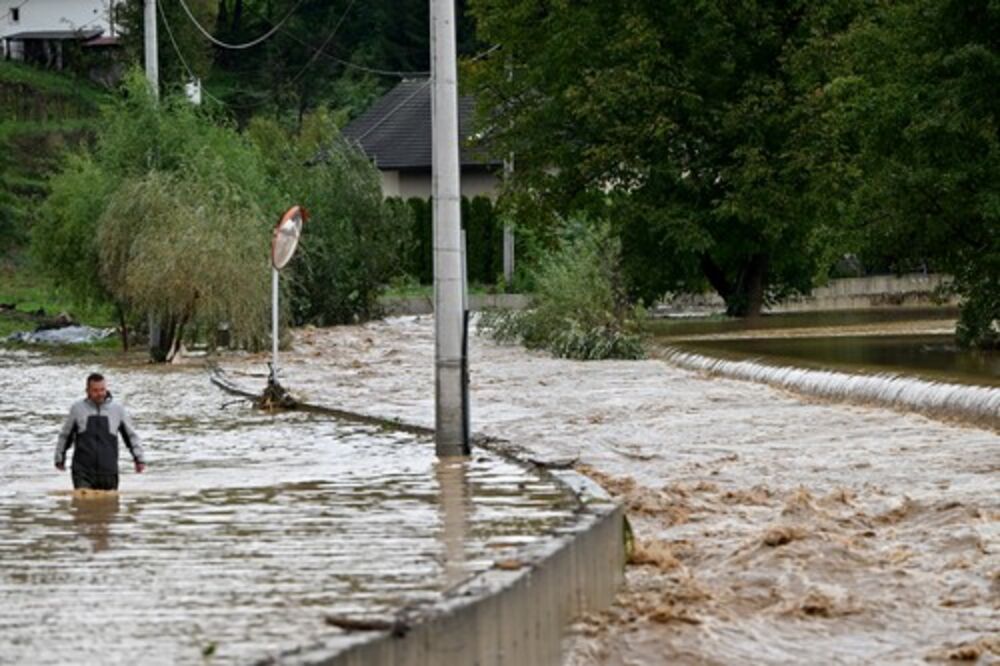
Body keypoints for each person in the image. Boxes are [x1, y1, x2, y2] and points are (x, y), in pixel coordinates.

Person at [55, 373, 146, 491]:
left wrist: (139, 459)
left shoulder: (117, 410)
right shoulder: (77, 409)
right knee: (83, 506)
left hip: (109, 472)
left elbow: (131, 436)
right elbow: (65, 436)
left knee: (109, 507)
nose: (100, 394)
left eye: (102, 389)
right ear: (87, 390)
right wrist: (59, 458)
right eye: (95, 390)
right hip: (83, 472)